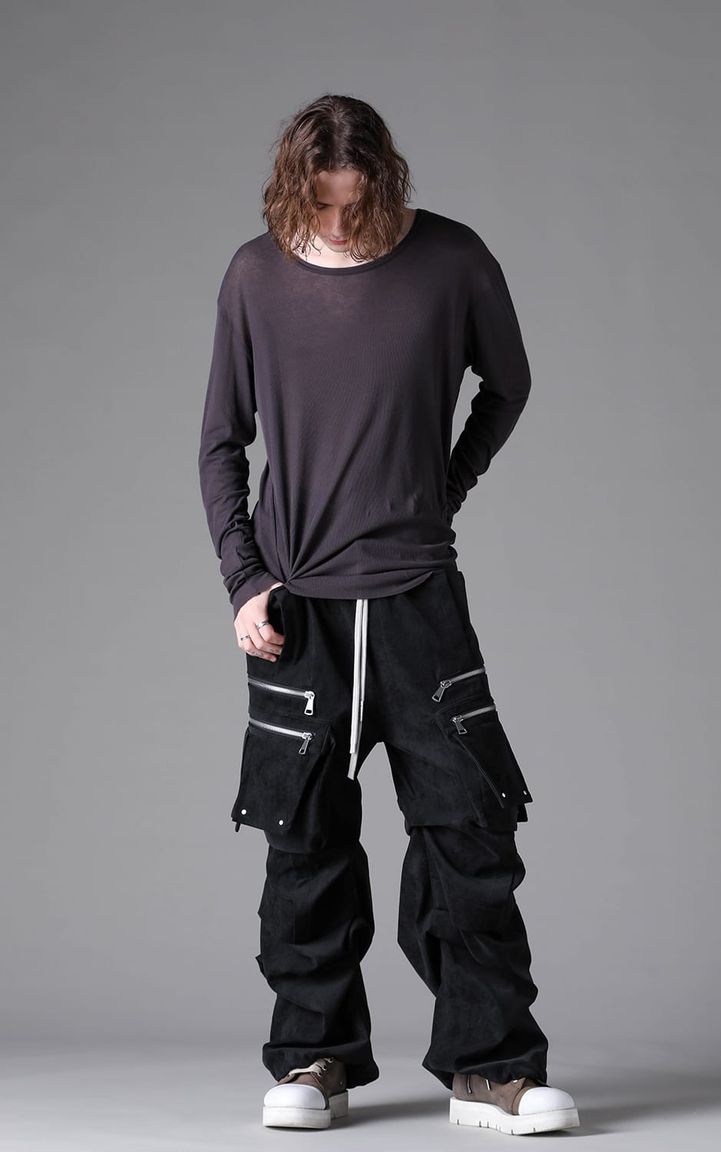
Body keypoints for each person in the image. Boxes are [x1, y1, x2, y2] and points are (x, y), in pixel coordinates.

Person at [198, 93, 579, 1137]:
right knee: (303, 841)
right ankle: (313, 1058)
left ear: (385, 184)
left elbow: (508, 386)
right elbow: (221, 441)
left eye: (352, 204)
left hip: (419, 600)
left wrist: (441, 492)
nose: (334, 224)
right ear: (293, 190)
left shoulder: (452, 261)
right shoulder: (254, 276)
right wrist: (244, 580)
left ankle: (492, 1069)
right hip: (298, 609)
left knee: (470, 834)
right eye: (317, 205)